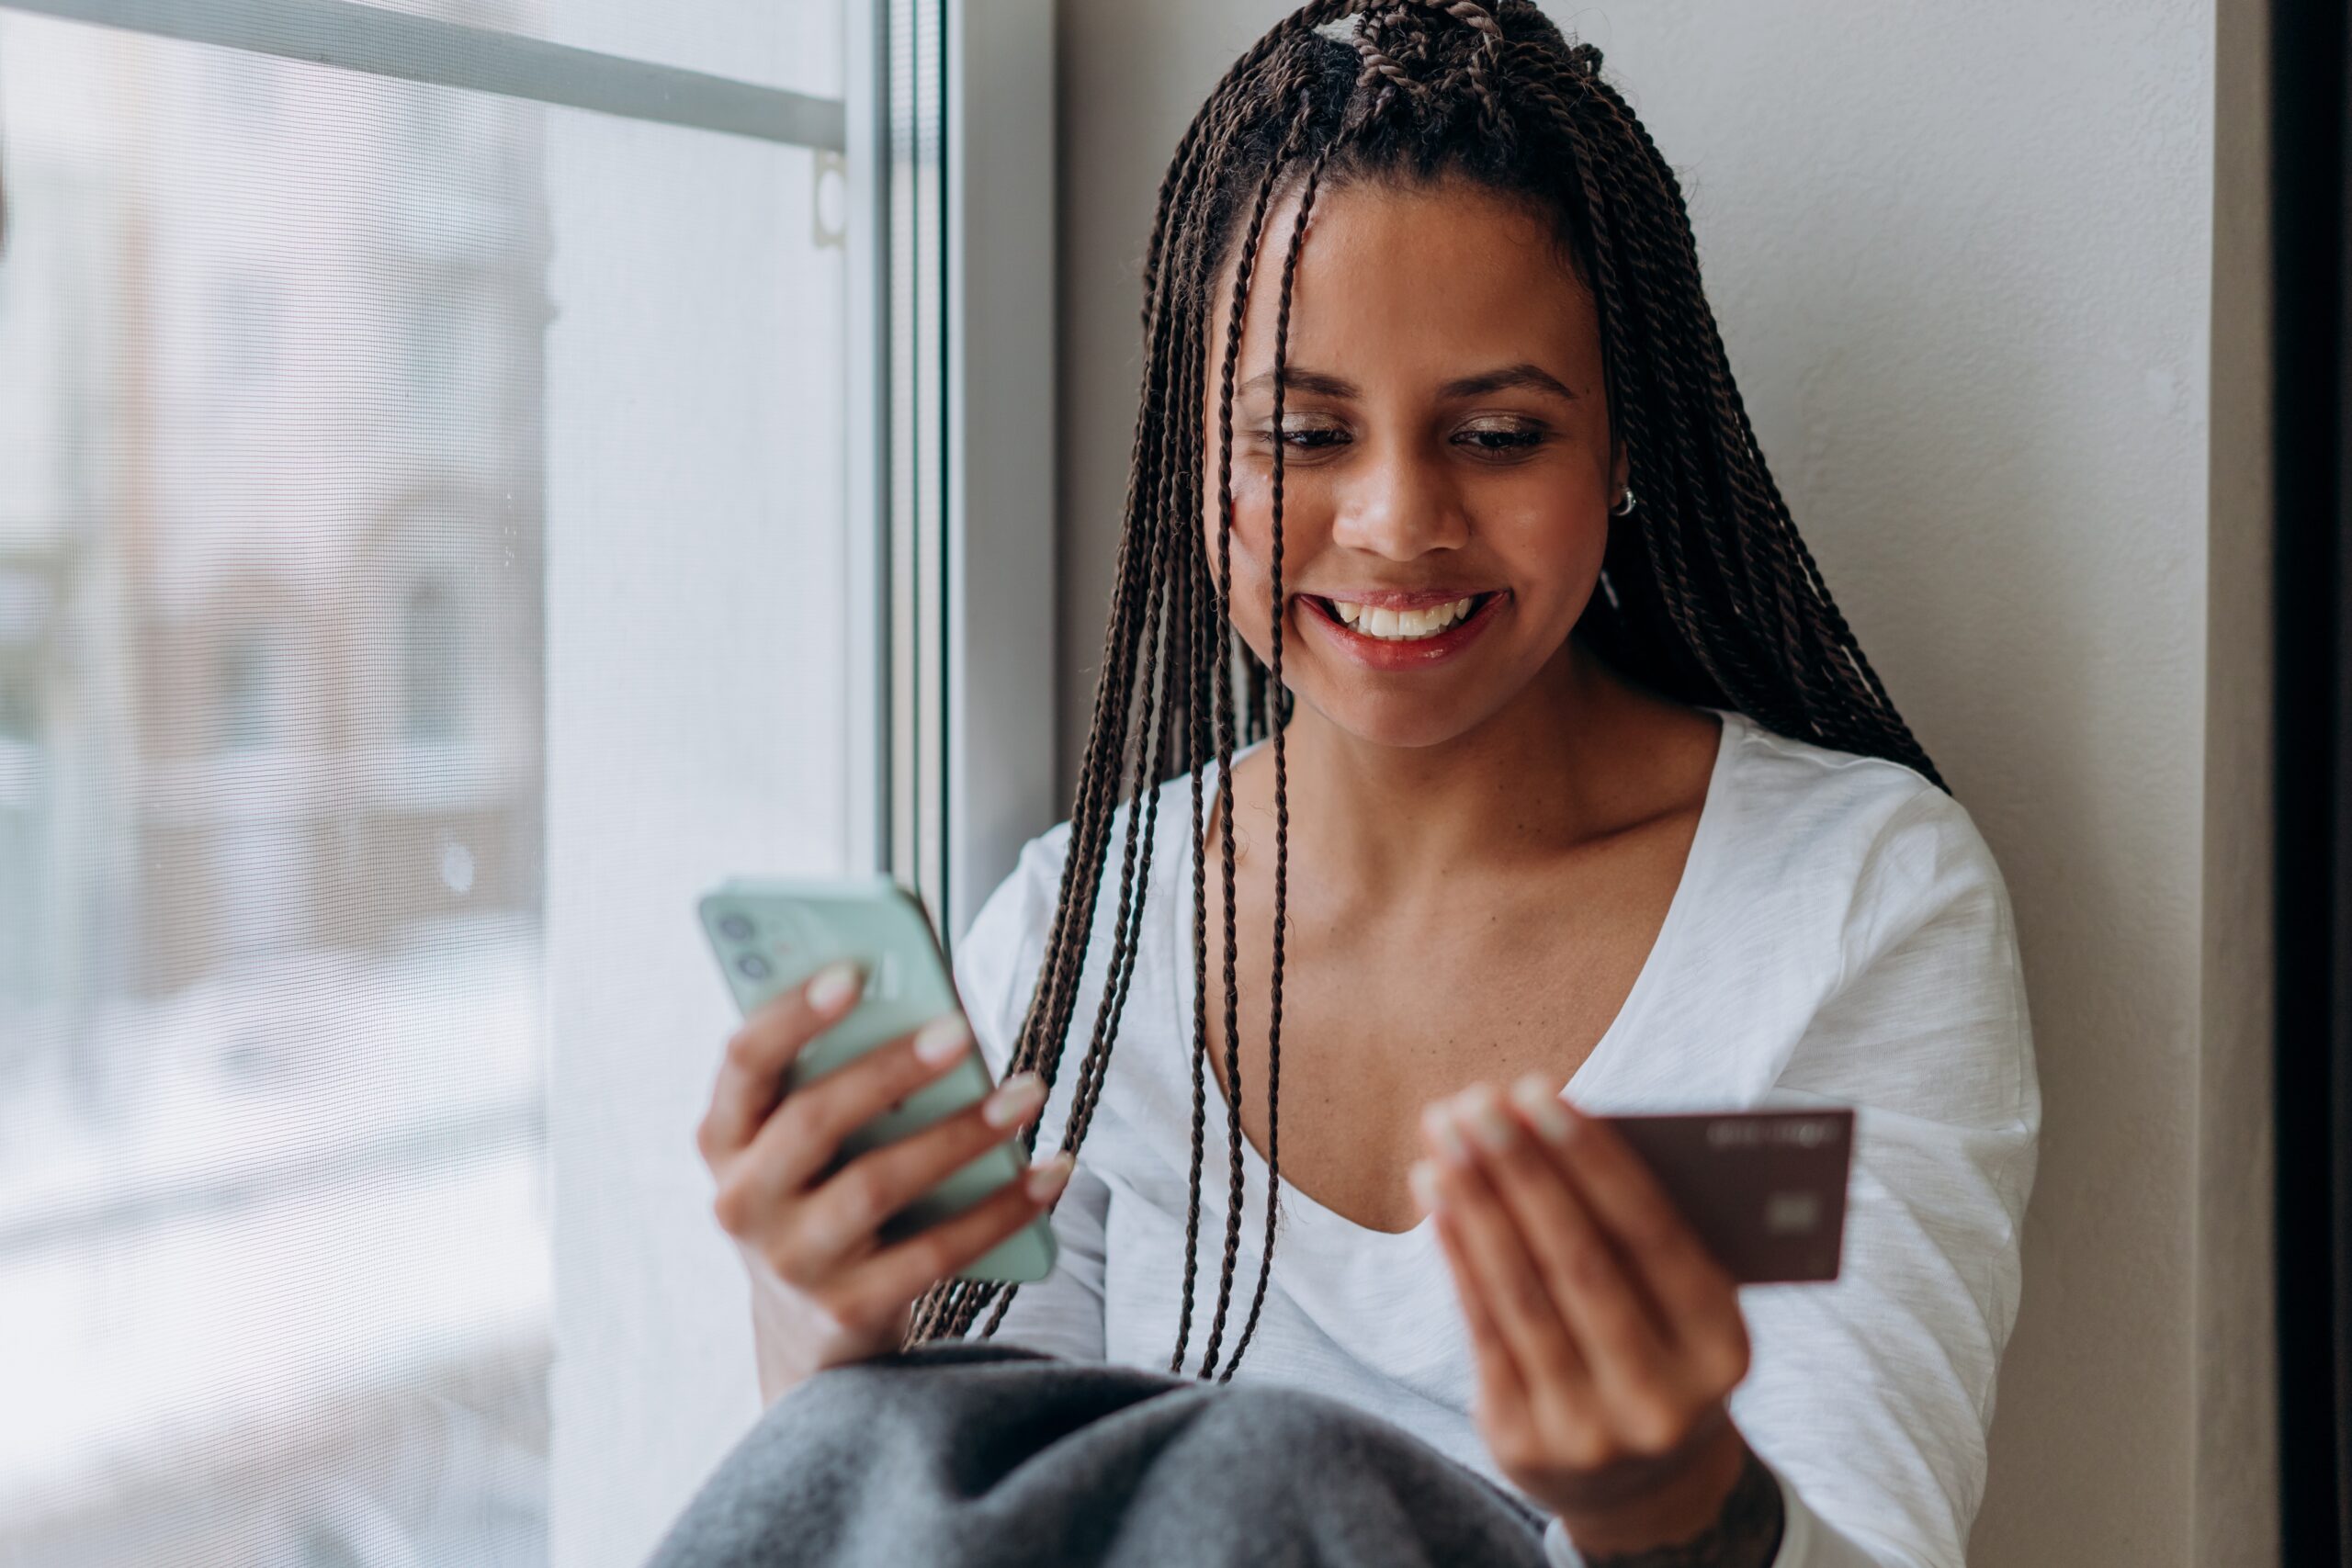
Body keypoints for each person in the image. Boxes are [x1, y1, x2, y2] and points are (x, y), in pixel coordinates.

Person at [676, 4, 2041, 1565]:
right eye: (1304, 432)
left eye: (1500, 432)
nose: (1397, 522)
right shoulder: (1085, 934)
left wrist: (1674, 1509)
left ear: (1623, 450)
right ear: (1195, 455)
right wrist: (813, 1334)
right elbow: (960, 1520)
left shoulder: (1853, 902)